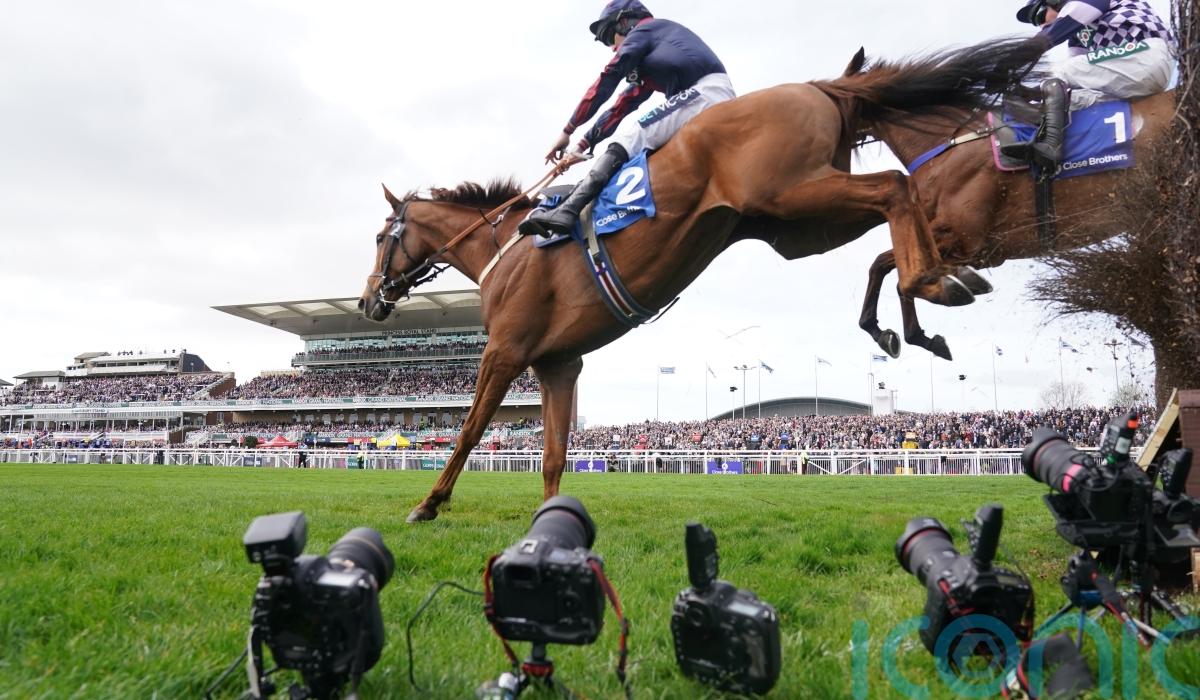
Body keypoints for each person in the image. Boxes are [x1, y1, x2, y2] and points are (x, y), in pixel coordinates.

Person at [518, 0, 734, 238]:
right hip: (702, 95)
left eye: (609, 37)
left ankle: (568, 210)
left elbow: (607, 79)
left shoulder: (644, 31)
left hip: (704, 93)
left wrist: (568, 129)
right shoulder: (653, 53)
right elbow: (621, 106)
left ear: (624, 22)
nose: (612, 48)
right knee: (638, 144)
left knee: (631, 137)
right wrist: (581, 145)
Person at [1003, 0, 1175, 169]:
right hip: (1132, 73)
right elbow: (1070, 82)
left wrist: (1007, 62)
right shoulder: (1078, 35)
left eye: (1039, 15)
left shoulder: (1088, 3)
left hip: (1147, 54)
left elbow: (1052, 39)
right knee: (1072, 99)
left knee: (1060, 69)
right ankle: (1043, 146)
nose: (1041, 25)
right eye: (1036, 23)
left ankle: (1051, 145)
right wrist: (1033, 93)